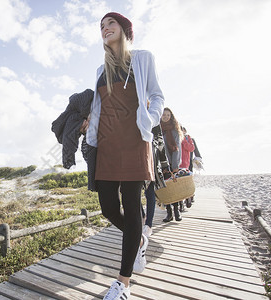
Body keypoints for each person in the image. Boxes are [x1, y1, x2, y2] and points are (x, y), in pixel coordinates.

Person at [85, 12, 164, 299]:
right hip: (106, 144)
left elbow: (157, 95)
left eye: (110, 24)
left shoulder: (142, 58)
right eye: (101, 26)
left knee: (132, 206)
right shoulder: (99, 71)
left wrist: (149, 119)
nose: (105, 29)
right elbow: (98, 108)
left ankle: (123, 284)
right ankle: (140, 237)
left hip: (134, 141)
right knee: (108, 208)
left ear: (124, 29)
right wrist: (88, 130)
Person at [141, 124, 172, 237]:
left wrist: (164, 165)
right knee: (131, 190)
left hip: (151, 159)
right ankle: (143, 215)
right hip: (133, 156)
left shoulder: (153, 117)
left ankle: (148, 225)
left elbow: (160, 142)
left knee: (149, 191)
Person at [160, 107, 183, 222]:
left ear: (171, 116)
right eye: (164, 114)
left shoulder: (174, 130)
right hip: (161, 164)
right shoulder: (158, 129)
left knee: (173, 188)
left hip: (172, 164)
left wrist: (174, 166)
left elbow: (177, 149)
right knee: (165, 189)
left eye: (168, 115)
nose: (166, 117)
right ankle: (169, 213)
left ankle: (177, 211)